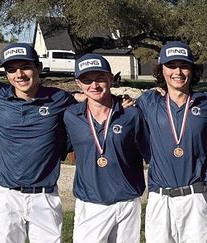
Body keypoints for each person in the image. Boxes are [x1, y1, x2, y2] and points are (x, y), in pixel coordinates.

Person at [0, 43, 75, 243]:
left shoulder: (60, 99)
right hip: (6, 195)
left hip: (45, 195)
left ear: (38, 68)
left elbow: (82, 124)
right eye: (11, 70)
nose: (19, 74)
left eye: (25, 67)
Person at [138, 41, 207, 243]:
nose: (178, 72)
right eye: (171, 66)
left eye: (184, 66)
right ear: (162, 69)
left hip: (195, 196)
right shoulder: (148, 102)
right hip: (160, 198)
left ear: (192, 70)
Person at [63, 54, 147, 242]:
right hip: (91, 203)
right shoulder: (71, 116)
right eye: (87, 80)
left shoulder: (131, 115)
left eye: (100, 78)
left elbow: (150, 152)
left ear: (111, 78)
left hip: (127, 202)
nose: (94, 85)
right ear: (78, 83)